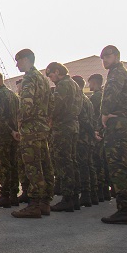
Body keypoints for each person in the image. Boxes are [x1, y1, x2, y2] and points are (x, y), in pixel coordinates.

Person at [98, 45, 127, 225]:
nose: (104, 59)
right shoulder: (121, 72)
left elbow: (111, 94)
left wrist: (104, 113)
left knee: (119, 169)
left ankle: (125, 210)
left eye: (108, 56)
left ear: (117, 56)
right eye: (102, 57)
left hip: (118, 125)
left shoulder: (116, 73)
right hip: (124, 123)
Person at [11, 49, 52, 219]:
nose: (17, 64)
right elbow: (51, 103)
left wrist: (19, 123)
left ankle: (34, 204)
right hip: (42, 126)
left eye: (18, 60)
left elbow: (26, 103)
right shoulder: (43, 78)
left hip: (31, 127)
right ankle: (44, 202)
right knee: (44, 164)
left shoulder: (29, 77)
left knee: (32, 165)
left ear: (27, 59)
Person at [45, 62, 82, 213]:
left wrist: (49, 118)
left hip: (63, 127)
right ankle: (74, 198)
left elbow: (56, 105)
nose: (50, 78)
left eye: (50, 74)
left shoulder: (63, 84)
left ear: (57, 71)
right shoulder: (73, 84)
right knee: (71, 161)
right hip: (72, 125)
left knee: (63, 162)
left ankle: (67, 198)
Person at [0, 71, 20, 208]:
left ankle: (5, 195)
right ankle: (14, 194)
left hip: (4, 135)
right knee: (13, 164)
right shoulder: (13, 95)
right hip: (15, 135)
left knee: (3, 165)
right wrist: (16, 131)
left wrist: (9, 131)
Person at [71, 75, 98, 208]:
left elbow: (84, 120)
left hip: (82, 137)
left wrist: (91, 132)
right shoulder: (86, 99)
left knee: (83, 166)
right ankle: (93, 194)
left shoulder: (79, 99)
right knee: (88, 165)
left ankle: (86, 194)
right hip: (87, 138)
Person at [87, 73, 109, 202]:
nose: (89, 85)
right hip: (103, 132)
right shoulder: (103, 95)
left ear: (94, 83)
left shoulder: (95, 97)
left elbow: (92, 116)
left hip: (97, 133)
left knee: (97, 162)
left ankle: (100, 191)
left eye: (90, 83)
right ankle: (104, 191)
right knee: (103, 162)